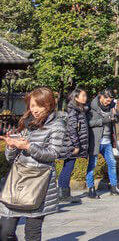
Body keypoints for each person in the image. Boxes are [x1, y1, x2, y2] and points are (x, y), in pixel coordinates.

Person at [0, 87, 67, 241]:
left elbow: (53, 154)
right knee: (4, 231)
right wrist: (11, 146)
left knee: (32, 233)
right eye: (32, 106)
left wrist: (28, 146)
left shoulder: (57, 126)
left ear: (49, 105)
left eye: (39, 106)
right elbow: (11, 158)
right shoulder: (27, 123)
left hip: (39, 183)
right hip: (18, 181)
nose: (35, 110)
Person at [86, 89, 119, 198]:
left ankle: (114, 188)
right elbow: (89, 123)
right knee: (92, 165)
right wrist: (104, 120)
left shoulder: (112, 106)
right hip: (95, 140)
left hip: (107, 141)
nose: (108, 103)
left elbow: (117, 120)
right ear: (101, 97)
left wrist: (117, 115)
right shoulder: (92, 107)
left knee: (112, 162)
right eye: (107, 100)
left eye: (110, 101)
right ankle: (91, 189)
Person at [58, 88, 90, 203]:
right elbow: (72, 129)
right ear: (76, 98)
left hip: (71, 143)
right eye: (83, 96)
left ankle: (64, 192)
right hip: (70, 144)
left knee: (68, 166)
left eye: (85, 95)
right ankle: (63, 194)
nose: (85, 98)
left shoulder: (80, 110)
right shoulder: (73, 111)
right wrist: (76, 145)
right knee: (68, 167)